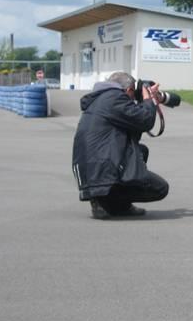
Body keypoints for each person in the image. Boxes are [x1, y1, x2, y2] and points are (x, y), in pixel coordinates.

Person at [72, 71, 169, 219]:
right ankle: (105, 200)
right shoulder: (114, 98)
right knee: (160, 188)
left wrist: (145, 101)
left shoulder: (100, 99)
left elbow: (134, 132)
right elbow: (144, 121)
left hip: (90, 171)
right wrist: (148, 99)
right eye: (133, 93)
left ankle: (111, 202)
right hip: (100, 171)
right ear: (129, 90)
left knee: (141, 151)